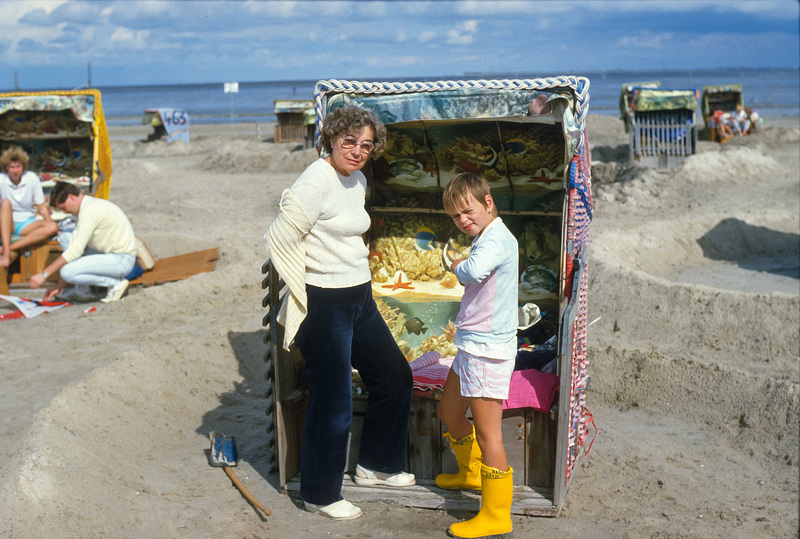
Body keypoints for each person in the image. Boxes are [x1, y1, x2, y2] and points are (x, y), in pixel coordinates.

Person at [264, 105, 415, 521]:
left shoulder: (359, 178)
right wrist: (302, 286)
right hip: (325, 302)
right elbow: (279, 235)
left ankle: (377, 466)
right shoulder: (316, 179)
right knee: (334, 401)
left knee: (395, 377)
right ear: (330, 138)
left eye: (366, 145)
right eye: (350, 141)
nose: (358, 151)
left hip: (359, 297)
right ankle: (319, 493)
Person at [437, 172, 519, 538]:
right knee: (449, 411)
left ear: (488, 202)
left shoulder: (498, 238)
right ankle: (469, 473)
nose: (463, 220)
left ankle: (496, 514)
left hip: (487, 349)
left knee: (490, 435)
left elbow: (472, 271)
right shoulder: (487, 235)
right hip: (472, 344)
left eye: (467, 211)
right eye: (455, 217)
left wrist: (454, 265)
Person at [29, 181, 136, 303]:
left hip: (121, 259)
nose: (64, 212)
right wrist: (59, 287)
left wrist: (44, 274)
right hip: (109, 255)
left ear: (70, 197)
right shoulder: (85, 207)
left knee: (67, 272)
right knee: (65, 238)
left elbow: (75, 251)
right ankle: (82, 291)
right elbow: (74, 248)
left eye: (63, 207)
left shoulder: (89, 210)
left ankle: (115, 283)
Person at [0, 146, 59, 267]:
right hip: (7, 222)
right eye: (12, 167)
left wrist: (53, 228)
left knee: (52, 226)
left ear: (23, 167)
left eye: (18, 167)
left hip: (27, 223)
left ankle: (9, 248)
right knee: (5, 202)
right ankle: (6, 254)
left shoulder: (31, 178)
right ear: (6, 168)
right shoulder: (1, 179)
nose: (15, 170)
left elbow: (41, 207)